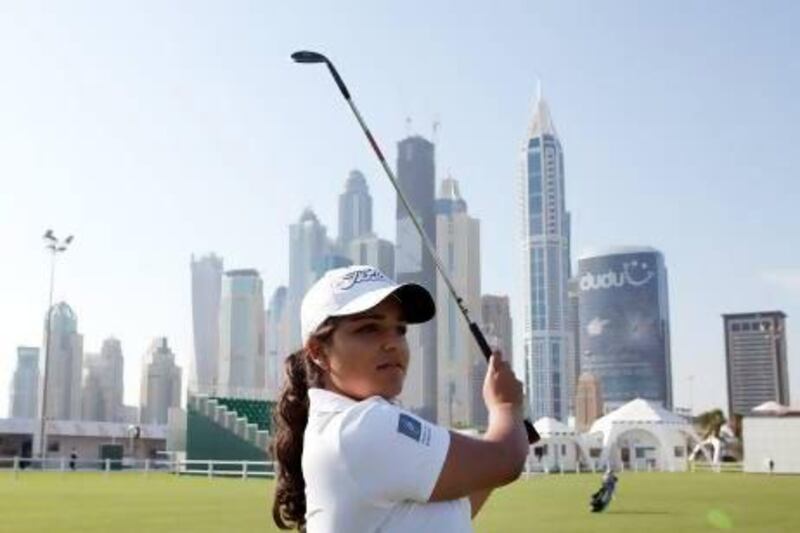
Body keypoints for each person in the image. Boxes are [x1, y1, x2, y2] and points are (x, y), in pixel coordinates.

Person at [271, 265, 528, 532]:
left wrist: (512, 432)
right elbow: (505, 459)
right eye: (369, 328)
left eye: (400, 329)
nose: (393, 342)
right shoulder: (362, 426)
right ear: (317, 351)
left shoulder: (349, 427)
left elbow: (443, 513)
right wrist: (506, 406)